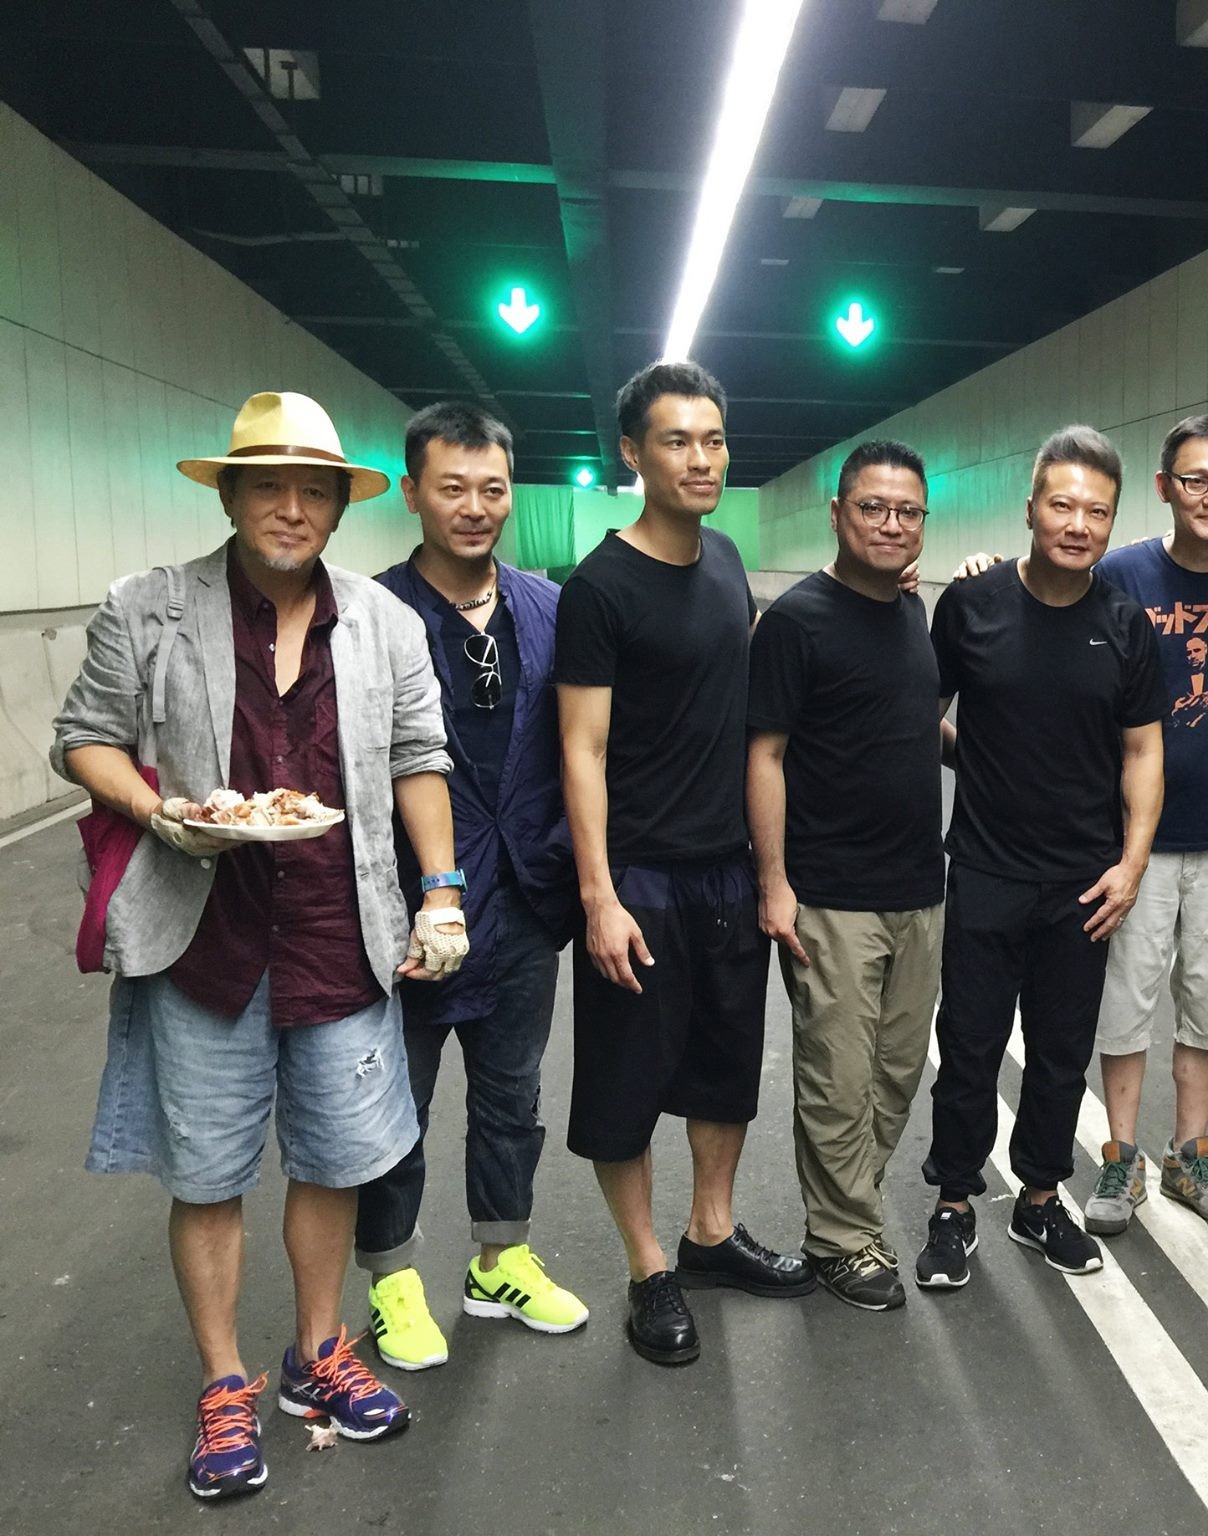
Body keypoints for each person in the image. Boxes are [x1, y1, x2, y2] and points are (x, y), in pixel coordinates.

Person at [52, 390, 470, 1500]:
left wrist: (442, 895)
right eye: (269, 486)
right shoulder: (148, 606)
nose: (292, 507)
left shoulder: (384, 623)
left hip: (340, 925)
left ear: (339, 506)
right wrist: (158, 815)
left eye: (314, 490)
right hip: (205, 939)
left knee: (335, 1157)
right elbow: (84, 738)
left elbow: (418, 759)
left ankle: (318, 1352)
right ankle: (224, 1382)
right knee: (207, 1173)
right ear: (231, 496)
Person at [556, 361, 812, 1369]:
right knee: (624, 1087)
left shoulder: (727, 560)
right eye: (676, 441)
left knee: (723, 1071)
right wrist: (598, 896)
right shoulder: (600, 587)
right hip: (641, 878)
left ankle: (710, 1233)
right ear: (633, 452)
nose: (700, 459)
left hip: (724, 871)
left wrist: (766, 871)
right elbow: (581, 750)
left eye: (712, 440)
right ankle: (648, 1266)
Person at [352, 402, 588, 1370]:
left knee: (510, 1097)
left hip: (527, 897)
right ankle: (392, 1281)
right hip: (411, 910)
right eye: (452, 488)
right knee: (393, 1109)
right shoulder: (369, 613)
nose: (475, 507)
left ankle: (501, 1259)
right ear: (412, 493)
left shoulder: (546, 607)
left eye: (492, 489)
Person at [916, 425, 1166, 1287]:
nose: (1078, 523)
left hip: (1084, 883)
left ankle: (1038, 1199)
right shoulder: (971, 605)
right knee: (970, 1046)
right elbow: (919, 713)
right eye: (1062, 504)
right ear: (1030, 509)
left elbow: (1143, 752)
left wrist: (1132, 865)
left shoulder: (1125, 625)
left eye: (1097, 511)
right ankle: (954, 1203)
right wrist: (974, 760)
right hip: (986, 870)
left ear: (1112, 522)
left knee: (1061, 1054)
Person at [748, 440, 946, 1312]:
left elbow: (913, 722)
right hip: (830, 894)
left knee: (895, 1077)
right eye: (873, 507)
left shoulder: (912, 612)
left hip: (919, 888)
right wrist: (774, 882)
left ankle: (849, 1211)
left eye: (907, 511)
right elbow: (765, 756)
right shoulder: (798, 621)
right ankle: (841, 1238)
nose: (891, 524)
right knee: (838, 1079)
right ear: (838, 514)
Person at [1078, 414, 1208, 1236]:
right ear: (1165, 486)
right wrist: (983, 571)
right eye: (1195, 479)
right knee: (1126, 1001)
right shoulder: (1121, 573)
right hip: (1136, 838)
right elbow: (1047, 603)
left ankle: (1189, 1152)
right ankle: (1120, 1157)